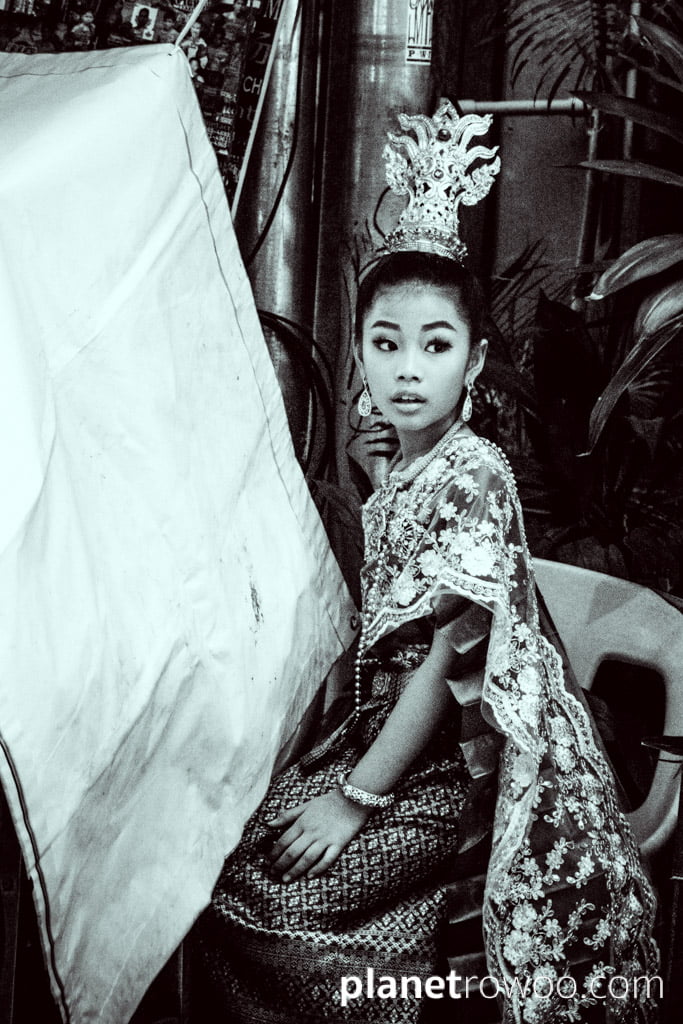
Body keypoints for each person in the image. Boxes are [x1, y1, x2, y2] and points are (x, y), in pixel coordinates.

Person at [190, 102, 659, 1023]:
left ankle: (387, 997)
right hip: (385, 730)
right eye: (385, 343)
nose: (407, 369)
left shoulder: (473, 474)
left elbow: (445, 664)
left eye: (435, 346)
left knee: (267, 907)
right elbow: (398, 595)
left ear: (474, 362)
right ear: (360, 353)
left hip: (455, 764)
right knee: (220, 862)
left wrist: (354, 801)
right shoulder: (407, 467)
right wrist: (373, 479)